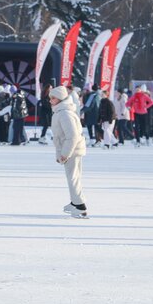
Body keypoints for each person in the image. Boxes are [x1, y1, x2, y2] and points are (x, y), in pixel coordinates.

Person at [49, 86, 88, 218]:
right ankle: (75, 202)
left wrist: (65, 154)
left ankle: (80, 206)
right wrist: (59, 154)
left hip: (73, 151)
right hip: (70, 150)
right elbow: (60, 137)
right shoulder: (60, 112)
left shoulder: (65, 113)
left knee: (73, 178)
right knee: (73, 178)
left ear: (60, 98)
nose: (50, 100)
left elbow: (72, 136)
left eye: (53, 98)